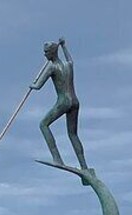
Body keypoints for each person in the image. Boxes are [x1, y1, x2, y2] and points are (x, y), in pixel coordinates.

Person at [30, 37, 89, 170]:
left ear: (52, 52)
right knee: (73, 134)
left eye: (46, 52)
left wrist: (32, 85)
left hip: (64, 101)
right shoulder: (68, 65)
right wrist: (64, 46)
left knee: (43, 125)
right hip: (75, 101)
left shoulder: (51, 67)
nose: (44, 54)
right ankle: (84, 166)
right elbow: (70, 60)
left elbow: (38, 86)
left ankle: (57, 158)